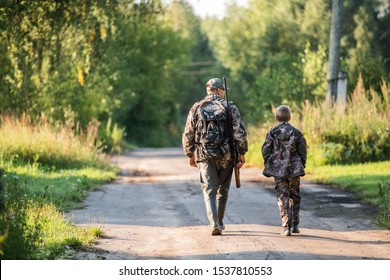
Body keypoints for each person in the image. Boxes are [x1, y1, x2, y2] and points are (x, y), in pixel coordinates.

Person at [182, 78, 248, 236]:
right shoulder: (229, 106)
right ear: (219, 90)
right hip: (226, 154)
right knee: (223, 189)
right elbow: (239, 132)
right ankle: (220, 221)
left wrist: (190, 153)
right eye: (223, 90)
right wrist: (241, 152)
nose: (224, 92)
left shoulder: (197, 107)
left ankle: (214, 224)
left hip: (204, 153)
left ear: (208, 90)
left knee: (209, 189)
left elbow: (188, 132)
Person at [261, 105, 307, 236]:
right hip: (295, 169)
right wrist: (302, 163)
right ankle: (295, 225)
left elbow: (265, 149)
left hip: (278, 169)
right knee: (295, 195)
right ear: (290, 117)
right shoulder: (296, 132)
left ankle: (286, 227)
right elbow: (303, 150)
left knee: (283, 196)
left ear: (276, 118)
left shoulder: (272, 132)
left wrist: (268, 161)